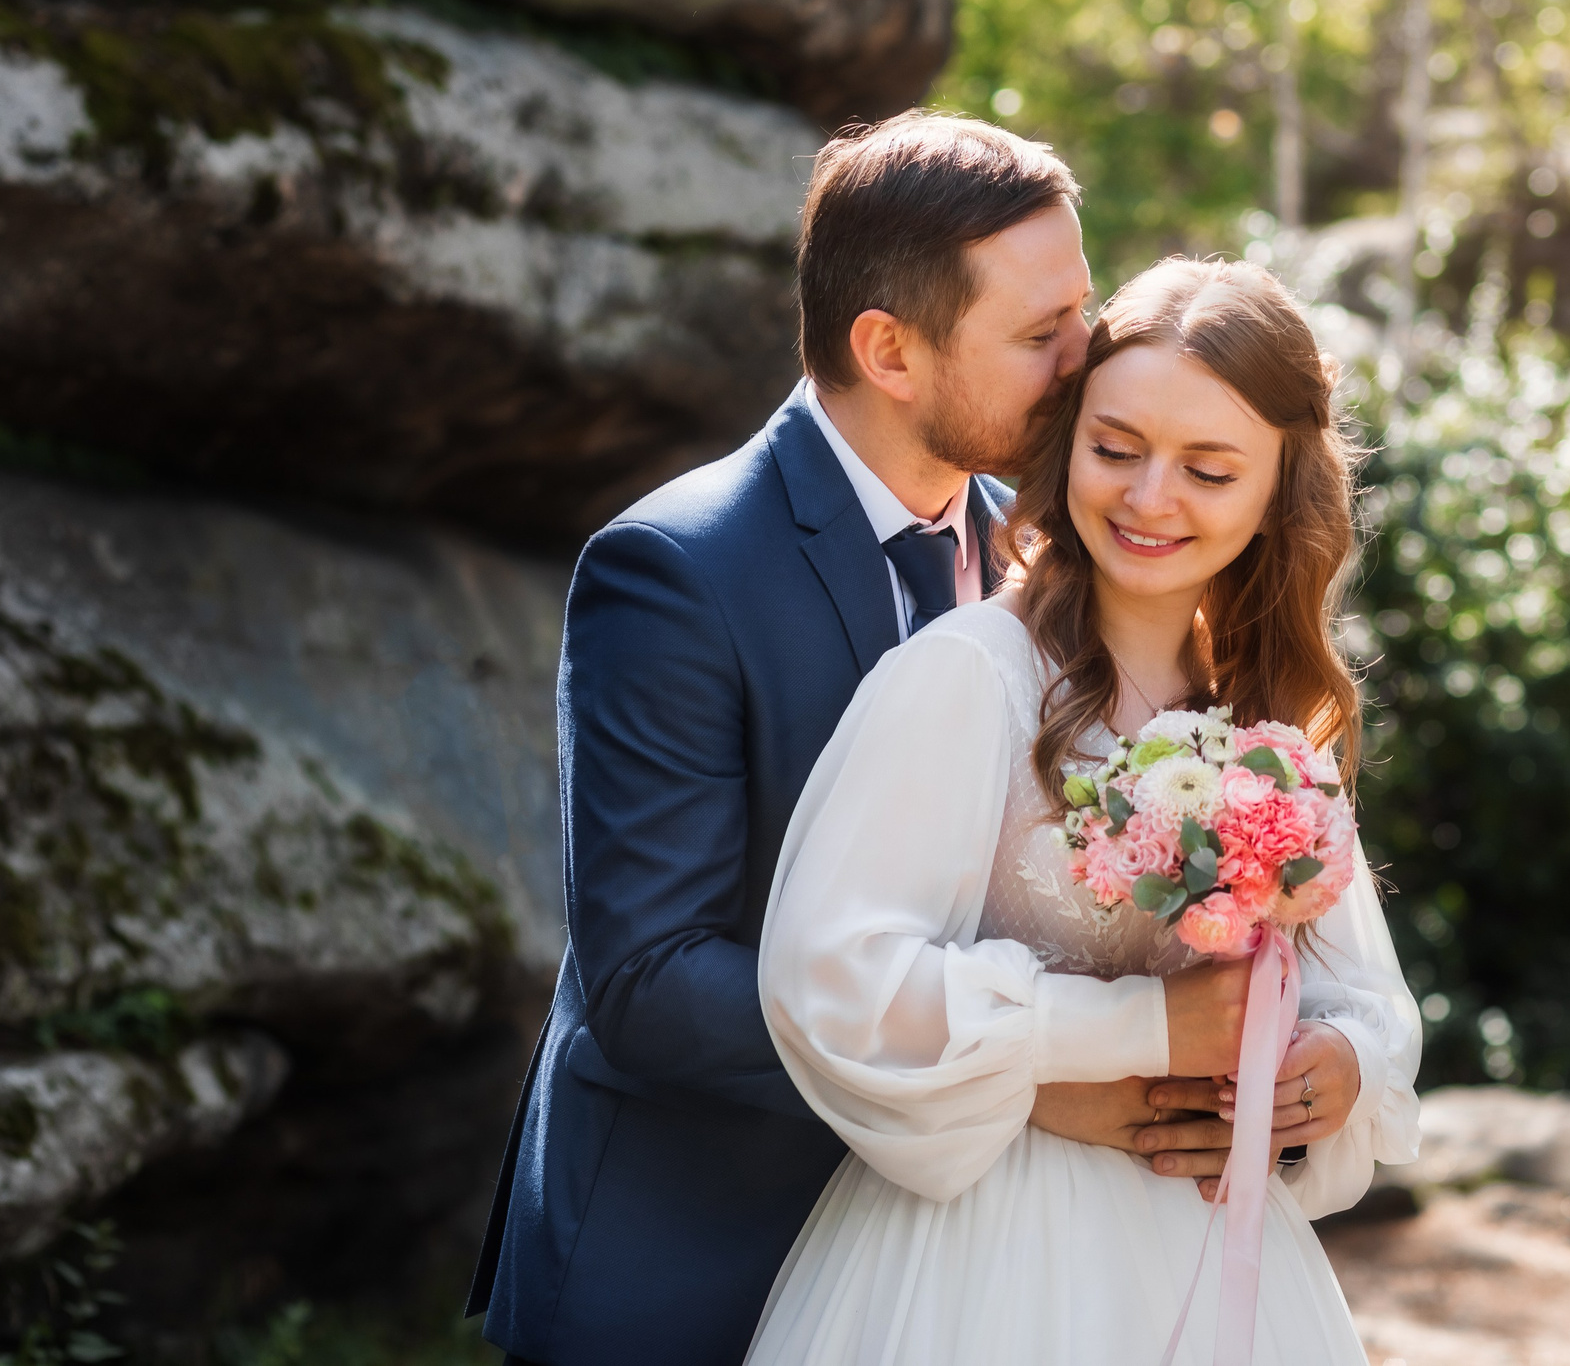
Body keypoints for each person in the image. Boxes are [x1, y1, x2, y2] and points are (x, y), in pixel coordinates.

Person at [466, 116, 1315, 1365]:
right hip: (698, 1249)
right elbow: (650, 983)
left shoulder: (1056, 551)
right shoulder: (677, 572)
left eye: (1079, 310)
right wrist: (1030, 1083)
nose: (1089, 359)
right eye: (1042, 336)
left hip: (971, 1270)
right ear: (890, 351)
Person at [748, 258, 1421, 1365]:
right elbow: (833, 975)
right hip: (981, 1261)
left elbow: (1368, 997)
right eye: (1115, 449)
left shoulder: (1269, 721)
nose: (1148, 498)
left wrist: (1336, 1070)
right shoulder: (969, 679)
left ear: (1276, 496)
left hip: (1212, 1265)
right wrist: (1133, 1034)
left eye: (1208, 470)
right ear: (1067, 449)